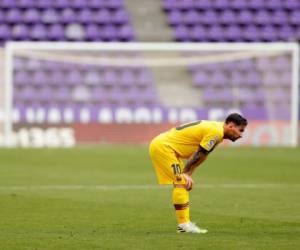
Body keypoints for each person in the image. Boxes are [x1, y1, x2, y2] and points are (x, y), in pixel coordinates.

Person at [149, 113, 248, 234]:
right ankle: (184, 225)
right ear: (231, 126)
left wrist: (188, 173)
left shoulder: (217, 131)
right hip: (164, 147)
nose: (241, 135)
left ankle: (184, 224)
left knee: (183, 182)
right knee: (181, 182)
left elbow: (202, 155)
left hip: (167, 147)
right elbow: (199, 153)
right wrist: (185, 173)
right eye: (240, 130)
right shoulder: (216, 132)